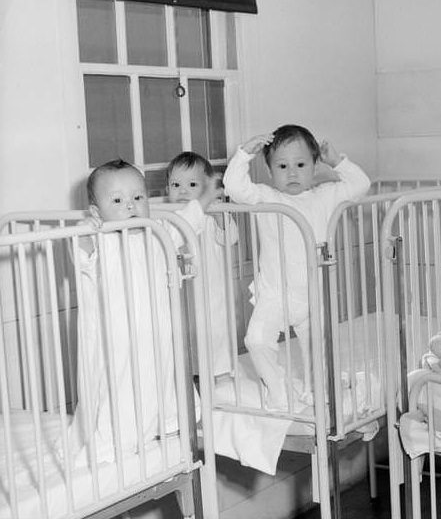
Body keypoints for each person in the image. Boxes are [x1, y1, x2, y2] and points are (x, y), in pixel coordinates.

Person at [73, 159, 216, 461]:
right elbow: (81, 250)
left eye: (138, 197)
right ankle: (116, 443)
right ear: (97, 212)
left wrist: (206, 196)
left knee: (164, 381)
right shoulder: (103, 241)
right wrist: (86, 230)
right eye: (117, 200)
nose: (131, 206)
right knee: (121, 390)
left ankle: (166, 425)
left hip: (157, 338)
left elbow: (189, 221)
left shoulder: (158, 233)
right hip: (120, 343)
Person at [223, 124, 371, 408]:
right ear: (268, 170)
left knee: (318, 348)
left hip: (313, 294)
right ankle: (278, 388)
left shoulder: (325, 196)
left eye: (301, 164)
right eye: (282, 165)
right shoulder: (265, 197)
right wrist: (244, 154)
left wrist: (338, 161)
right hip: (275, 293)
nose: (292, 173)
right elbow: (234, 187)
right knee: (255, 340)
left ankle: (318, 387)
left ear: (315, 166)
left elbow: (360, 184)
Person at [167, 151, 239, 376]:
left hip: (210, 288)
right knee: (183, 333)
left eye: (192, 184)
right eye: (175, 184)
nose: (183, 190)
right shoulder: (168, 218)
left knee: (213, 330)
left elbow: (230, 238)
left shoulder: (210, 215)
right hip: (181, 290)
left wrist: (219, 215)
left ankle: (218, 374)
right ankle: (190, 375)